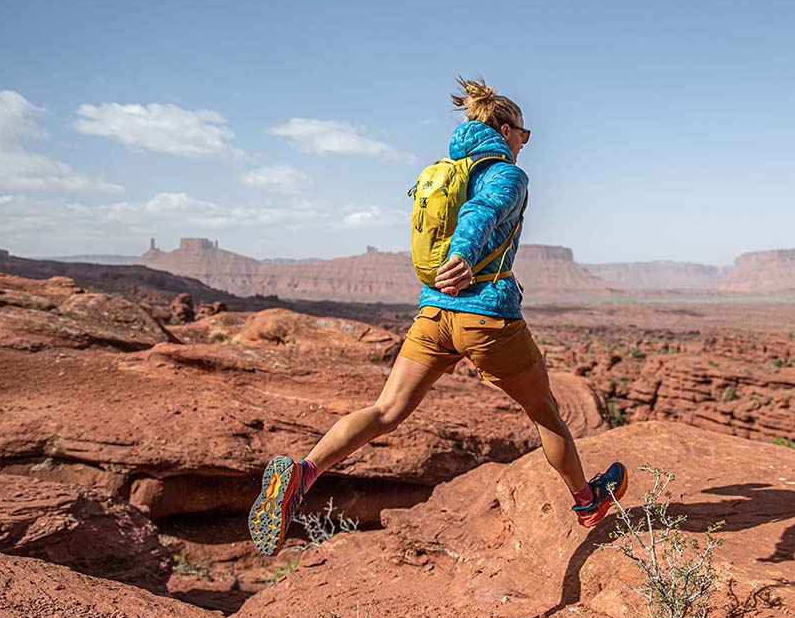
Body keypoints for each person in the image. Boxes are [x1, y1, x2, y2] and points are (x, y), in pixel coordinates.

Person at [249, 77, 626, 556]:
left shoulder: (444, 170)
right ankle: (588, 501)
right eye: (525, 135)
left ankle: (303, 473)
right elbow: (483, 211)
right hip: (487, 317)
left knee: (385, 411)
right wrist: (466, 255)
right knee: (546, 413)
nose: (525, 144)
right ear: (507, 130)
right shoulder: (506, 172)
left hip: (433, 314)